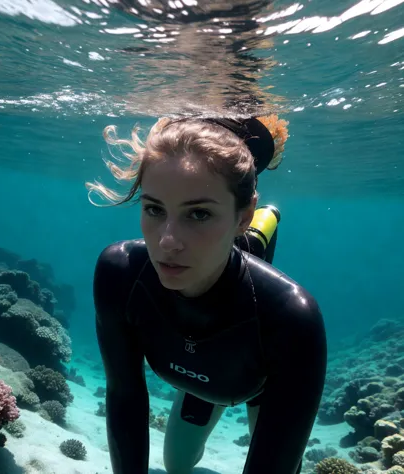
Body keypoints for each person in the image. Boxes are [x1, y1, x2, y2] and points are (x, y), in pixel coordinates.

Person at [86, 113, 327, 474]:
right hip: (206, 384)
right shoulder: (119, 273)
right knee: (176, 465)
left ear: (242, 214)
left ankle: (264, 221)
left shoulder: (292, 316)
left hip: (256, 380)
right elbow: (124, 395)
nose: (167, 242)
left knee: (249, 251)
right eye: (154, 209)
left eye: (198, 214)